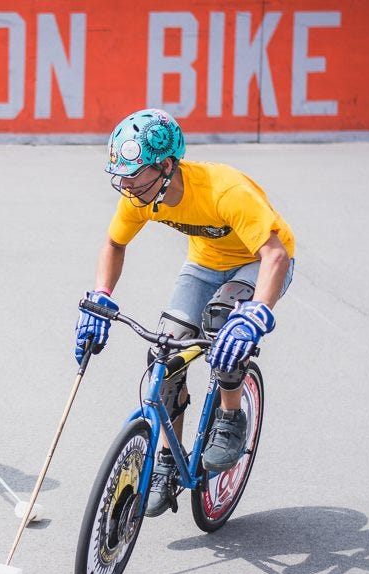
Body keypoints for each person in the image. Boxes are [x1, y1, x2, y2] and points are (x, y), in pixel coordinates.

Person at [75, 108, 295, 517]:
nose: (124, 185)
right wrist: (101, 296)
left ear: (167, 165)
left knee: (223, 332)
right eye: (119, 175)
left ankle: (230, 418)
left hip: (257, 263)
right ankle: (167, 460)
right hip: (205, 266)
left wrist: (256, 313)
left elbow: (275, 255)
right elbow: (114, 243)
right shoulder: (142, 197)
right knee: (165, 352)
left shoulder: (224, 191)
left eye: (134, 175)